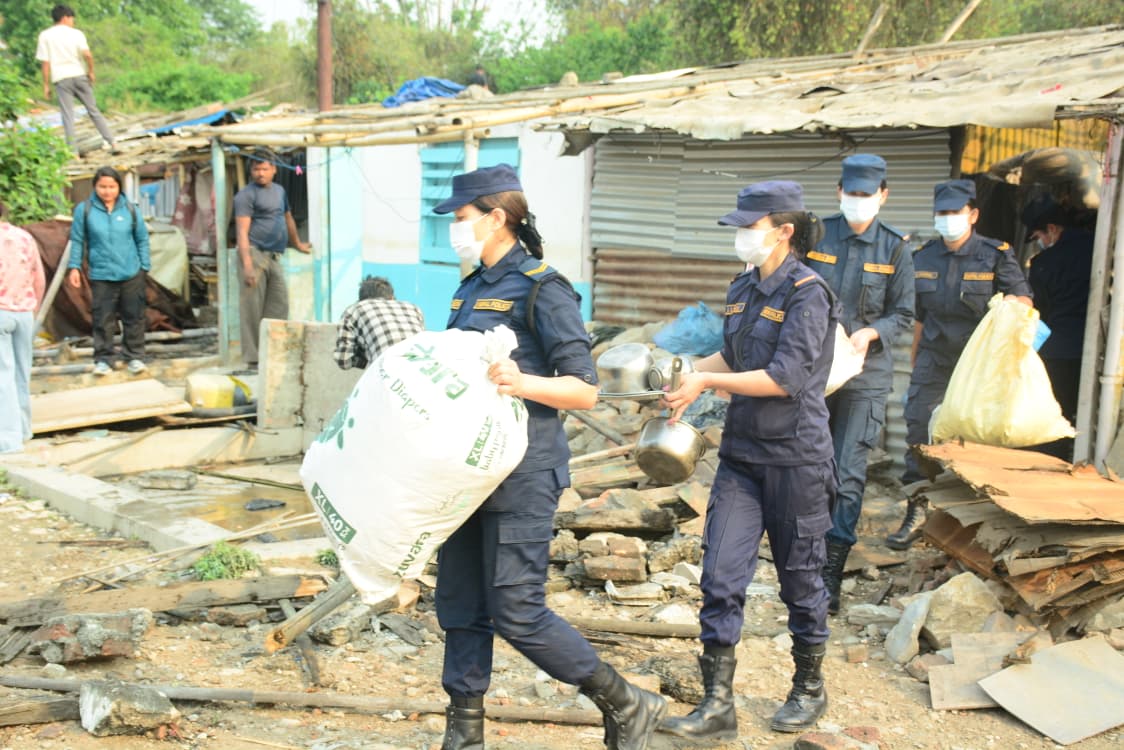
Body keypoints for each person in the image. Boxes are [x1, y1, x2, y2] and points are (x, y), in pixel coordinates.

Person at [432, 164, 665, 750]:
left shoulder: (543, 286)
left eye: (460, 219)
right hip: (470, 472)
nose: (454, 230)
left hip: (524, 474)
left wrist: (521, 381)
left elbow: (585, 389)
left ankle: (626, 700)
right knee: (460, 602)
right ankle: (463, 735)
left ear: (496, 217)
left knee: (516, 610)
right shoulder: (471, 287)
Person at [661, 181, 839, 741]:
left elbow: (784, 378)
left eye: (749, 227)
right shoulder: (743, 286)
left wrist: (709, 381)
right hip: (741, 457)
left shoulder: (810, 293)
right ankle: (717, 703)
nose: (740, 236)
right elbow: (731, 355)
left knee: (800, 580)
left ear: (784, 231)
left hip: (796, 460)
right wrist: (688, 370)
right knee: (719, 576)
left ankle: (808, 686)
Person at [886, 179, 1033, 549]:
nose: (948, 219)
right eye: (942, 213)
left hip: (980, 364)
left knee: (980, 435)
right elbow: (918, 316)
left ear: (973, 215)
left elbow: (1023, 302)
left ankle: (978, 516)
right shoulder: (922, 257)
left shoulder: (995, 254)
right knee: (919, 428)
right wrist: (915, 356)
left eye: (955, 213)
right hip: (935, 359)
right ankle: (918, 509)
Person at [804, 154, 914, 614]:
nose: (857, 202)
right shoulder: (817, 234)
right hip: (811, 370)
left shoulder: (895, 249)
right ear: (839, 193)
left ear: (882, 196)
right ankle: (803, 561)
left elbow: (903, 314)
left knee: (847, 472)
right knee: (808, 465)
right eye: (851, 194)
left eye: (867, 196)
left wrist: (872, 332)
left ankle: (831, 571)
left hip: (864, 377)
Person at [1023, 194, 1094, 461]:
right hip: (1097, 350)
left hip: (1056, 352)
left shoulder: (1044, 264)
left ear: (1052, 229)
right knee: (1087, 418)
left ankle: (1052, 466)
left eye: (1040, 235)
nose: (1041, 242)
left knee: (1053, 418)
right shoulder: (1099, 247)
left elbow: (1040, 313)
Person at [67, 166, 151, 376]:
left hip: (131, 272)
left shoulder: (130, 209)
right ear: (95, 186)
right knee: (103, 318)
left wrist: (144, 266)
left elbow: (142, 238)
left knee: (134, 316)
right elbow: (77, 240)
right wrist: (74, 267)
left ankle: (134, 357)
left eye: (112, 186)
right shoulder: (84, 210)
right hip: (101, 274)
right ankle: (104, 359)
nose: (107, 191)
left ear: (119, 187)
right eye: (102, 186)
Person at [233, 152, 311, 369]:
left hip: (274, 257)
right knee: (252, 309)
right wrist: (247, 266)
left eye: (265, 169)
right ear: (251, 171)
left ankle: (273, 354)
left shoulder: (279, 191)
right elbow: (242, 233)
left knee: (278, 305)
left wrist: (298, 243)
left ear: (274, 169)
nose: (261, 173)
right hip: (254, 255)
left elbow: (287, 218)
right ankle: (253, 360)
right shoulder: (245, 196)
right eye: (256, 169)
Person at [36, 4, 116, 154]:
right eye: (72, 18)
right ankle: (112, 142)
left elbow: (45, 63)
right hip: (79, 75)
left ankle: (72, 152)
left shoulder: (45, 36)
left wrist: (45, 85)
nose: (73, 21)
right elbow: (88, 55)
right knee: (93, 110)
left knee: (68, 116)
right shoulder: (76, 34)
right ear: (65, 17)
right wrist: (91, 71)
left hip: (61, 79)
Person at [0, 200, 46, 453]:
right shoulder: (24, 237)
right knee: (21, 373)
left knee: (2, 377)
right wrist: (33, 307)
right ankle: (24, 429)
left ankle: (8, 440)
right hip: (25, 313)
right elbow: (38, 277)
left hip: (1, 312)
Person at [333, 275, 424, 370]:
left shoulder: (354, 310)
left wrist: (366, 360)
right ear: (392, 297)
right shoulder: (413, 308)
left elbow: (343, 360)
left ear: (361, 300)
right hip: (425, 371)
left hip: (386, 374)